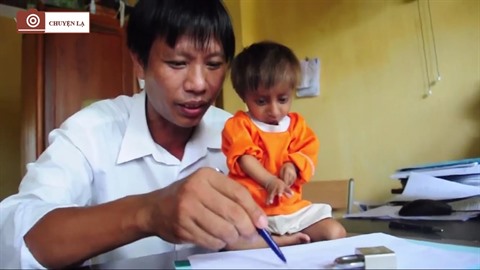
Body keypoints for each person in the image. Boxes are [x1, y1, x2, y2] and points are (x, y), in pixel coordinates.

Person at [0, 2, 306, 269]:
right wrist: (148, 212)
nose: (199, 84)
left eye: (213, 65)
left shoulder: (239, 134)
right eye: (177, 63)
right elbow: (15, 239)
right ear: (139, 63)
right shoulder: (89, 133)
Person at [221, 41, 346, 250]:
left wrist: (293, 166)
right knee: (228, 243)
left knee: (336, 232)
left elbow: (307, 151)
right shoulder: (238, 124)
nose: (274, 109)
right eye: (261, 101)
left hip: (292, 211)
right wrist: (269, 181)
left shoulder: (297, 125)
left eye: (282, 99)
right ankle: (283, 242)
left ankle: (286, 239)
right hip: (252, 212)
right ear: (244, 96)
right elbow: (244, 158)